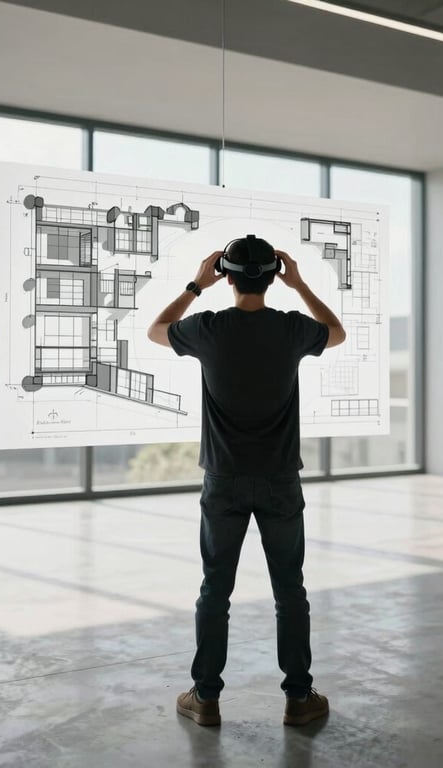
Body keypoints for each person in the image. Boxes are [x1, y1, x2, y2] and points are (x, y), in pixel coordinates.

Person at [147, 235, 346, 727]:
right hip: (279, 480)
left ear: (227, 275)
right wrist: (299, 285)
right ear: (273, 274)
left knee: (215, 589)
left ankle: (206, 697)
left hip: (223, 481)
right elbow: (336, 332)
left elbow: (156, 329)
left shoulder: (207, 328)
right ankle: (299, 698)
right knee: (289, 589)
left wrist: (197, 283)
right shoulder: (292, 329)